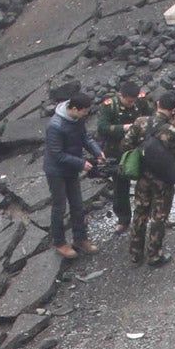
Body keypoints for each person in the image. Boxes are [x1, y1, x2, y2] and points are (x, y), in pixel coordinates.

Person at [128, 94, 175, 269]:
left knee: (140, 212)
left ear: (157, 104)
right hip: (162, 178)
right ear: (174, 110)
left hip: (142, 177)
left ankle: (135, 253)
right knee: (159, 216)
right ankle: (154, 255)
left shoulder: (139, 122)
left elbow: (126, 144)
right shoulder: (172, 130)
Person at [44, 91, 103, 261]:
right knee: (59, 207)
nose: (86, 114)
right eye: (84, 111)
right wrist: (81, 163)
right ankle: (59, 242)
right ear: (75, 109)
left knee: (77, 204)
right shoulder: (55, 126)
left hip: (71, 169)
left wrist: (97, 151)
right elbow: (57, 154)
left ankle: (80, 238)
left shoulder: (77, 119)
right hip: (56, 172)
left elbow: (85, 138)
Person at [95, 76, 149, 233]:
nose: (132, 104)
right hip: (118, 150)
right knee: (121, 186)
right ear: (121, 96)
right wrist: (124, 128)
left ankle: (153, 213)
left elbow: (150, 116)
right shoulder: (109, 106)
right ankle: (123, 218)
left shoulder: (141, 100)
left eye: (133, 101)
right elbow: (102, 127)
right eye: (129, 101)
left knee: (148, 180)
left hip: (140, 147)